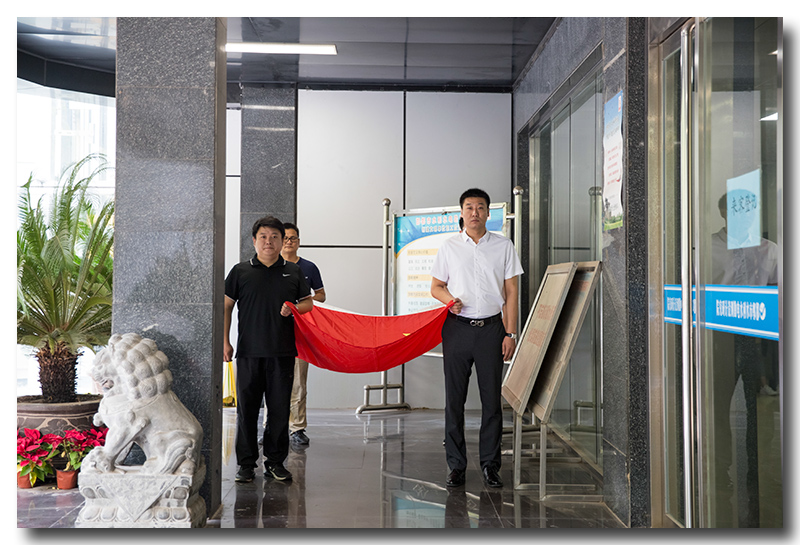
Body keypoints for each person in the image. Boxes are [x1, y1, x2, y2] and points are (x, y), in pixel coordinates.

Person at [430, 188, 523, 489]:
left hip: (492, 330)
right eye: (469, 207)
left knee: (491, 402)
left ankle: (490, 466)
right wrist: (449, 300)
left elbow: (511, 292)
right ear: (461, 212)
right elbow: (436, 286)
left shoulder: (503, 246)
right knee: (454, 400)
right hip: (457, 329)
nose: (474, 212)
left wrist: (510, 333)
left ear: (488, 213)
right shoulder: (449, 247)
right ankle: (456, 466)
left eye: (480, 207)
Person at [224, 216, 313, 483]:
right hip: (248, 353)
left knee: (279, 410)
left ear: (282, 241)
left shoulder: (293, 271)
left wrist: (294, 308)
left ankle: (275, 462)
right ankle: (246, 464)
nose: (269, 241)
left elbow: (308, 302)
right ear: (254, 241)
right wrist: (225, 341)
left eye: (275, 237)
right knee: (247, 411)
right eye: (263, 236)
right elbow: (226, 306)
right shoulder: (240, 271)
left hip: (282, 353)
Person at [262, 222, 326, 447]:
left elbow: (321, 295)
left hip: (300, 333)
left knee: (298, 382)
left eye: (293, 238)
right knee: (271, 382)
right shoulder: (268, 266)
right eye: (286, 238)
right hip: (271, 333)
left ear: (298, 242)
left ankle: (297, 428)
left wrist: (301, 303)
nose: (289, 242)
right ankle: (269, 427)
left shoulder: (308, 268)